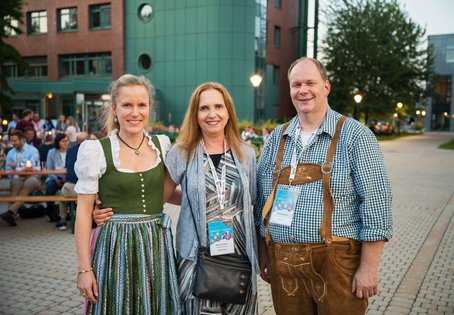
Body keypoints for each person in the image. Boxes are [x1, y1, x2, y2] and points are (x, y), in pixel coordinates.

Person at [255, 58, 393, 315]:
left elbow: (376, 203)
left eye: (310, 83)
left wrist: (369, 268)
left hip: (337, 264)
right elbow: (261, 202)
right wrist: (264, 254)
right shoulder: (277, 138)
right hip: (284, 265)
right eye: (296, 84)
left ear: (326, 87)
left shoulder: (356, 136)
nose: (303, 90)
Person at [74, 74, 181, 314]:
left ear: (149, 107)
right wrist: (84, 269)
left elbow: (165, 194)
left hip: (156, 244)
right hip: (114, 246)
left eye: (141, 105)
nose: (135, 112)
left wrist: (209, 198)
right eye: (127, 105)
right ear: (114, 109)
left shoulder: (162, 145)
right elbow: (83, 212)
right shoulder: (97, 151)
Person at [164, 82, 259, 314]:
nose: (212, 114)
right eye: (204, 108)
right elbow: (161, 196)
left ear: (228, 112)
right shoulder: (181, 153)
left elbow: (252, 201)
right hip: (197, 259)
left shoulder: (246, 153)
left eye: (218, 106)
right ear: (195, 114)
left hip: (239, 257)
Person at [1, 130, 41, 227]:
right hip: (17, 177)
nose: (13, 143)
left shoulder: (32, 150)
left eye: (15, 141)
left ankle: (10, 212)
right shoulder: (11, 152)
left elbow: (31, 166)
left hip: (33, 177)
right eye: (11, 141)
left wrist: (17, 165)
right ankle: (11, 215)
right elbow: (8, 169)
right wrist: (21, 167)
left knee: (26, 187)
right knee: (14, 186)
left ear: (22, 140)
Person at [56, 132, 90, 231]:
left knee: (61, 194)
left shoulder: (70, 151)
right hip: (88, 189)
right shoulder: (93, 151)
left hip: (71, 188)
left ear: (76, 141)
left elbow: (67, 168)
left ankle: (62, 220)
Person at [44, 133, 70, 223]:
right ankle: (49, 210)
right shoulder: (52, 152)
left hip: (67, 178)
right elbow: (49, 169)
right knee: (50, 185)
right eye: (63, 141)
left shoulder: (70, 151)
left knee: (70, 186)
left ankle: (67, 212)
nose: (66, 143)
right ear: (58, 142)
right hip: (54, 177)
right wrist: (56, 179)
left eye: (67, 140)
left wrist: (65, 179)